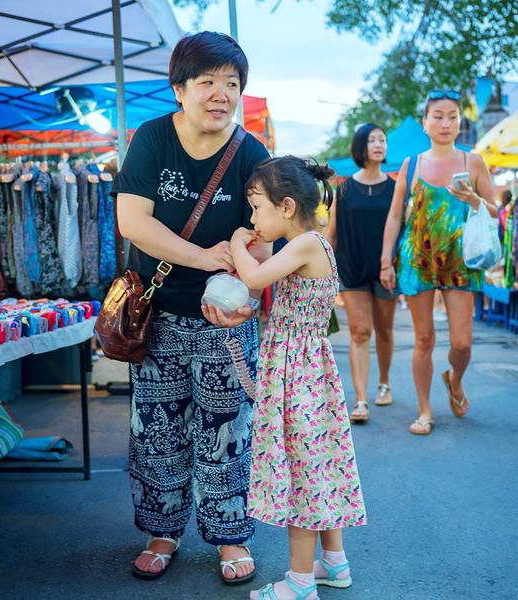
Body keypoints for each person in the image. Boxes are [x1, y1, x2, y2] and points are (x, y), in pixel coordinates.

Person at [111, 31, 270, 582]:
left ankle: (231, 535)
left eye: (232, 83)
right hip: (157, 314)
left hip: (224, 322)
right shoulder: (153, 138)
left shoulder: (251, 153)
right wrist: (203, 258)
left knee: (228, 429)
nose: (221, 94)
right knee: (157, 432)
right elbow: (132, 221)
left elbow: (264, 238)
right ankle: (163, 531)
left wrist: (251, 295)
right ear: (179, 88)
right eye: (208, 82)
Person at [230, 156, 367, 600]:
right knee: (319, 462)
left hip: (297, 374)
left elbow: (253, 274)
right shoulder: (312, 242)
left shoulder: (305, 243)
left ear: (286, 206)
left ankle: (301, 582)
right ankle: (334, 562)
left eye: (257, 208)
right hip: (307, 370)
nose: (253, 219)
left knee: (302, 471)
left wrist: (236, 242)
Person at [380, 89, 497, 435]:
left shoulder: (473, 162)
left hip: (461, 261)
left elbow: (495, 211)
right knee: (423, 339)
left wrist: (473, 199)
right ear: (425, 122)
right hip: (417, 258)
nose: (446, 123)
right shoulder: (411, 164)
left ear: (460, 122)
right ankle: (424, 410)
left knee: (462, 343)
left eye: (453, 116)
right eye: (438, 116)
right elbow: (395, 216)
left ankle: (454, 379)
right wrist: (385, 261)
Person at [326, 123, 397, 423]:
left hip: (385, 269)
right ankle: (361, 400)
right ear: (360, 146)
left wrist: (393, 263)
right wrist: (324, 270)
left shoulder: (395, 188)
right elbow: (332, 233)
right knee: (359, 331)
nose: (379, 145)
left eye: (382, 140)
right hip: (351, 267)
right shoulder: (343, 189)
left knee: (384, 329)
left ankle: (384, 383)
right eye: (372, 140)